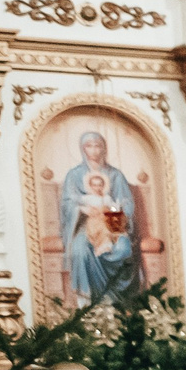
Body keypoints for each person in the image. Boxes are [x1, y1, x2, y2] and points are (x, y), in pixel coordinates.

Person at [59, 128, 141, 301]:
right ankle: (88, 300)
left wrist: (114, 213)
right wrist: (81, 209)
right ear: (83, 149)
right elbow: (68, 202)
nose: (94, 150)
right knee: (80, 250)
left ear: (104, 148)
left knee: (123, 249)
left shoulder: (115, 175)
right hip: (84, 226)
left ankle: (118, 300)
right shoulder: (74, 175)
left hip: (113, 225)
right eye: (89, 146)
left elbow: (126, 201)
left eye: (98, 146)